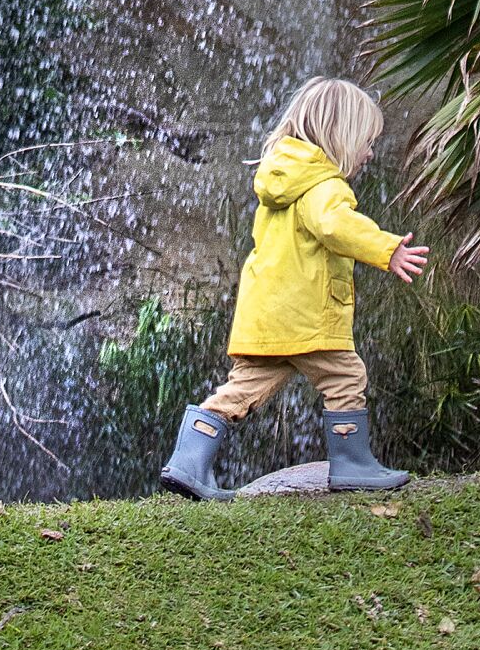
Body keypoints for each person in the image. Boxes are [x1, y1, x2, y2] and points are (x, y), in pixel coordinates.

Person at [159, 75, 430, 500]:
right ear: (342, 136)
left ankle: (188, 462)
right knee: (345, 376)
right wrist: (386, 248)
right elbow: (335, 225)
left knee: (243, 389)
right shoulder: (324, 185)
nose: (370, 153)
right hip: (309, 316)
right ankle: (353, 464)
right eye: (366, 142)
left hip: (266, 317)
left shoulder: (281, 178)